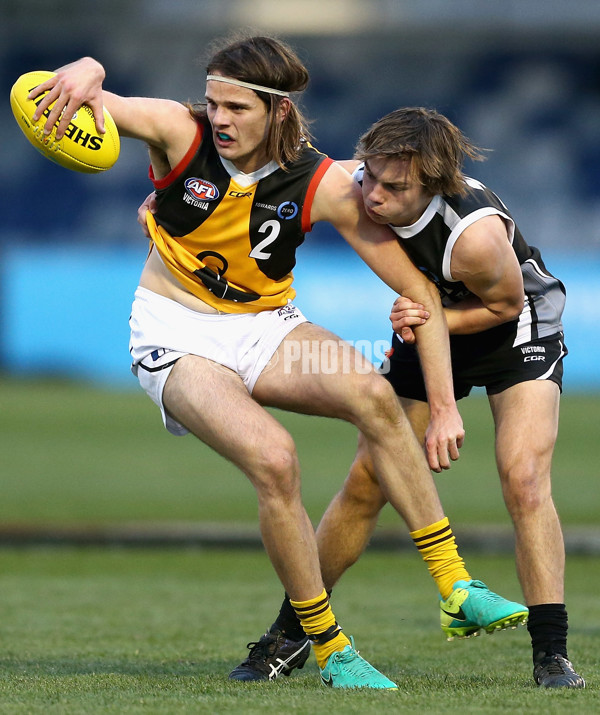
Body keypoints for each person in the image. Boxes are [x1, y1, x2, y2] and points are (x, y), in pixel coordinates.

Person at [30, 35, 526, 689]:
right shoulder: (180, 133)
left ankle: (456, 586)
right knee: (276, 457)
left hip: (268, 326)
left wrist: (439, 407)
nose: (221, 118)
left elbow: (420, 292)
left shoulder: (320, 181)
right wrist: (89, 67)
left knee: (376, 397)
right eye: (213, 102)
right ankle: (329, 646)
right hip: (176, 335)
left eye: (237, 106)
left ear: (279, 112)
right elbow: (108, 102)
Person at [210, 107, 583, 689]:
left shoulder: (475, 236)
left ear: (434, 184)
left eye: (394, 187)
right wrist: (168, 202)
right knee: (366, 479)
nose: (375, 197)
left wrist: (441, 387)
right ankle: (290, 634)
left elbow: (506, 305)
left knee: (524, 477)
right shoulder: (363, 180)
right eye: (372, 179)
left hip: (514, 329)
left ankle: (552, 653)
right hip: (425, 321)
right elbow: (261, 175)